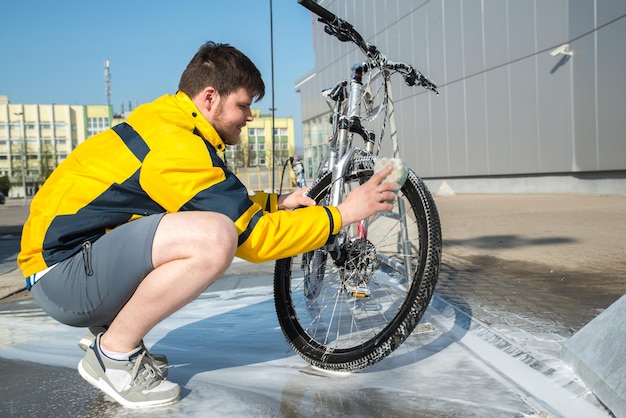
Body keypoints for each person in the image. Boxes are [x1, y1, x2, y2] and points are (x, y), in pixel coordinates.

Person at [17, 41, 399, 409]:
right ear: (211, 97)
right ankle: (114, 354)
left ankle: (109, 334)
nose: (251, 117)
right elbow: (252, 238)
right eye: (244, 105)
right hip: (64, 279)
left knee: (209, 226)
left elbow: (217, 201)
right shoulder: (175, 144)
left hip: (72, 268)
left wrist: (276, 203)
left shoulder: (169, 125)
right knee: (216, 239)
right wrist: (343, 214)